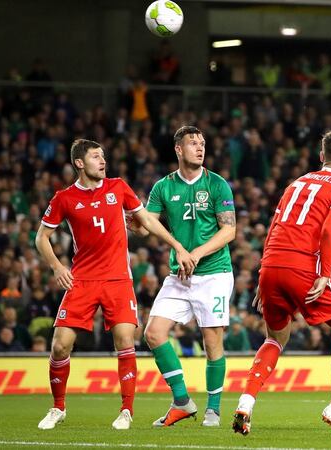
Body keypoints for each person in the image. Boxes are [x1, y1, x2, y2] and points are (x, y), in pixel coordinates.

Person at [35, 139, 195, 430]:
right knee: (60, 346)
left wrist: (176, 245)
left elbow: (145, 220)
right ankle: (58, 408)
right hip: (81, 279)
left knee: (124, 339)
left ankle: (126, 410)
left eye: (104, 156)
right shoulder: (64, 198)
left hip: (118, 278)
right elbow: (41, 237)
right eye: (96, 156)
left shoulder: (118, 187)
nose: (103, 160)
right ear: (80, 163)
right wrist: (57, 266)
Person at [232, 131, 331, 439]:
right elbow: (330, 229)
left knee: (276, 338)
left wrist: (263, 274)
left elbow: (274, 225)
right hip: (302, 266)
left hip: (271, 266)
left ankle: (246, 400)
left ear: (321, 156)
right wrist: (324, 273)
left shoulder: (297, 182)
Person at [132, 126, 236, 427]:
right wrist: (135, 224)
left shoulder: (217, 184)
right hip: (180, 276)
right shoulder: (163, 187)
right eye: (193, 143)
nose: (200, 148)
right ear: (179, 149)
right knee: (152, 333)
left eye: (202, 143)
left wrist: (197, 253)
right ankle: (182, 400)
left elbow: (229, 230)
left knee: (212, 341)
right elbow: (148, 224)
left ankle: (213, 410)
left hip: (214, 273)